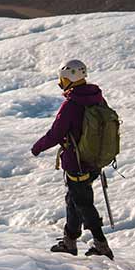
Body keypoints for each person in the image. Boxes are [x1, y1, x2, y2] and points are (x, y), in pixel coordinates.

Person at [30, 60, 113, 258]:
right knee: (74, 198)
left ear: (69, 79)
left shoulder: (71, 104)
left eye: (62, 79)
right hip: (94, 160)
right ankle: (70, 241)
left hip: (77, 162)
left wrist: (37, 147)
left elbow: (56, 134)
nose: (60, 83)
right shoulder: (97, 98)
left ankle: (101, 245)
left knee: (82, 202)